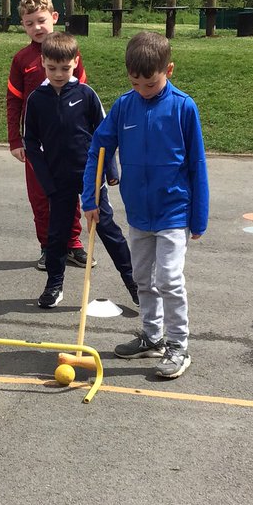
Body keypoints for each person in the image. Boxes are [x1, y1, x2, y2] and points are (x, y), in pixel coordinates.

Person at [82, 31, 209, 381]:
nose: (142, 90)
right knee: (142, 279)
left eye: (150, 84)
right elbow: (98, 148)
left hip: (174, 212)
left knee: (168, 277)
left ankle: (178, 345)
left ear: (169, 69)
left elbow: (197, 163)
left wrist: (199, 217)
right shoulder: (125, 105)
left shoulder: (184, 106)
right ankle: (151, 337)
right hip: (139, 213)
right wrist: (90, 199)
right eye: (135, 83)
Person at [24, 33, 138, 310]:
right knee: (57, 234)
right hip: (57, 180)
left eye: (65, 68)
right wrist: (45, 180)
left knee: (108, 229)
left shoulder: (86, 95)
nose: (59, 74)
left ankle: (135, 284)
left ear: (75, 62)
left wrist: (110, 170)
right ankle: (54, 284)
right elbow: (30, 142)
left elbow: (105, 135)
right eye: (52, 68)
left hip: (90, 176)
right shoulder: (36, 99)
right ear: (43, 63)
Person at [6, 0, 87, 270]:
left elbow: (84, 98)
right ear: (23, 26)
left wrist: (85, 136)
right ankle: (48, 247)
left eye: (41, 20)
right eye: (29, 23)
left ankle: (73, 244)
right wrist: (15, 139)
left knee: (70, 193)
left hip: (69, 143)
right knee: (40, 197)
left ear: (54, 18)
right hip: (36, 145)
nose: (36, 27)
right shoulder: (21, 60)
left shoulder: (71, 52)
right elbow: (13, 101)